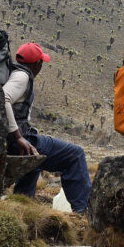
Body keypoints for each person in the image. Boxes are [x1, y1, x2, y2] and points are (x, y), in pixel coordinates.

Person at [6, 42, 92, 213]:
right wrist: (18, 136)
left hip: (12, 140)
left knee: (35, 156)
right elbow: (4, 99)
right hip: (16, 141)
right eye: (41, 63)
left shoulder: (12, 73)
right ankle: (83, 213)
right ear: (36, 64)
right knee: (75, 155)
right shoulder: (22, 77)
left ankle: (22, 204)